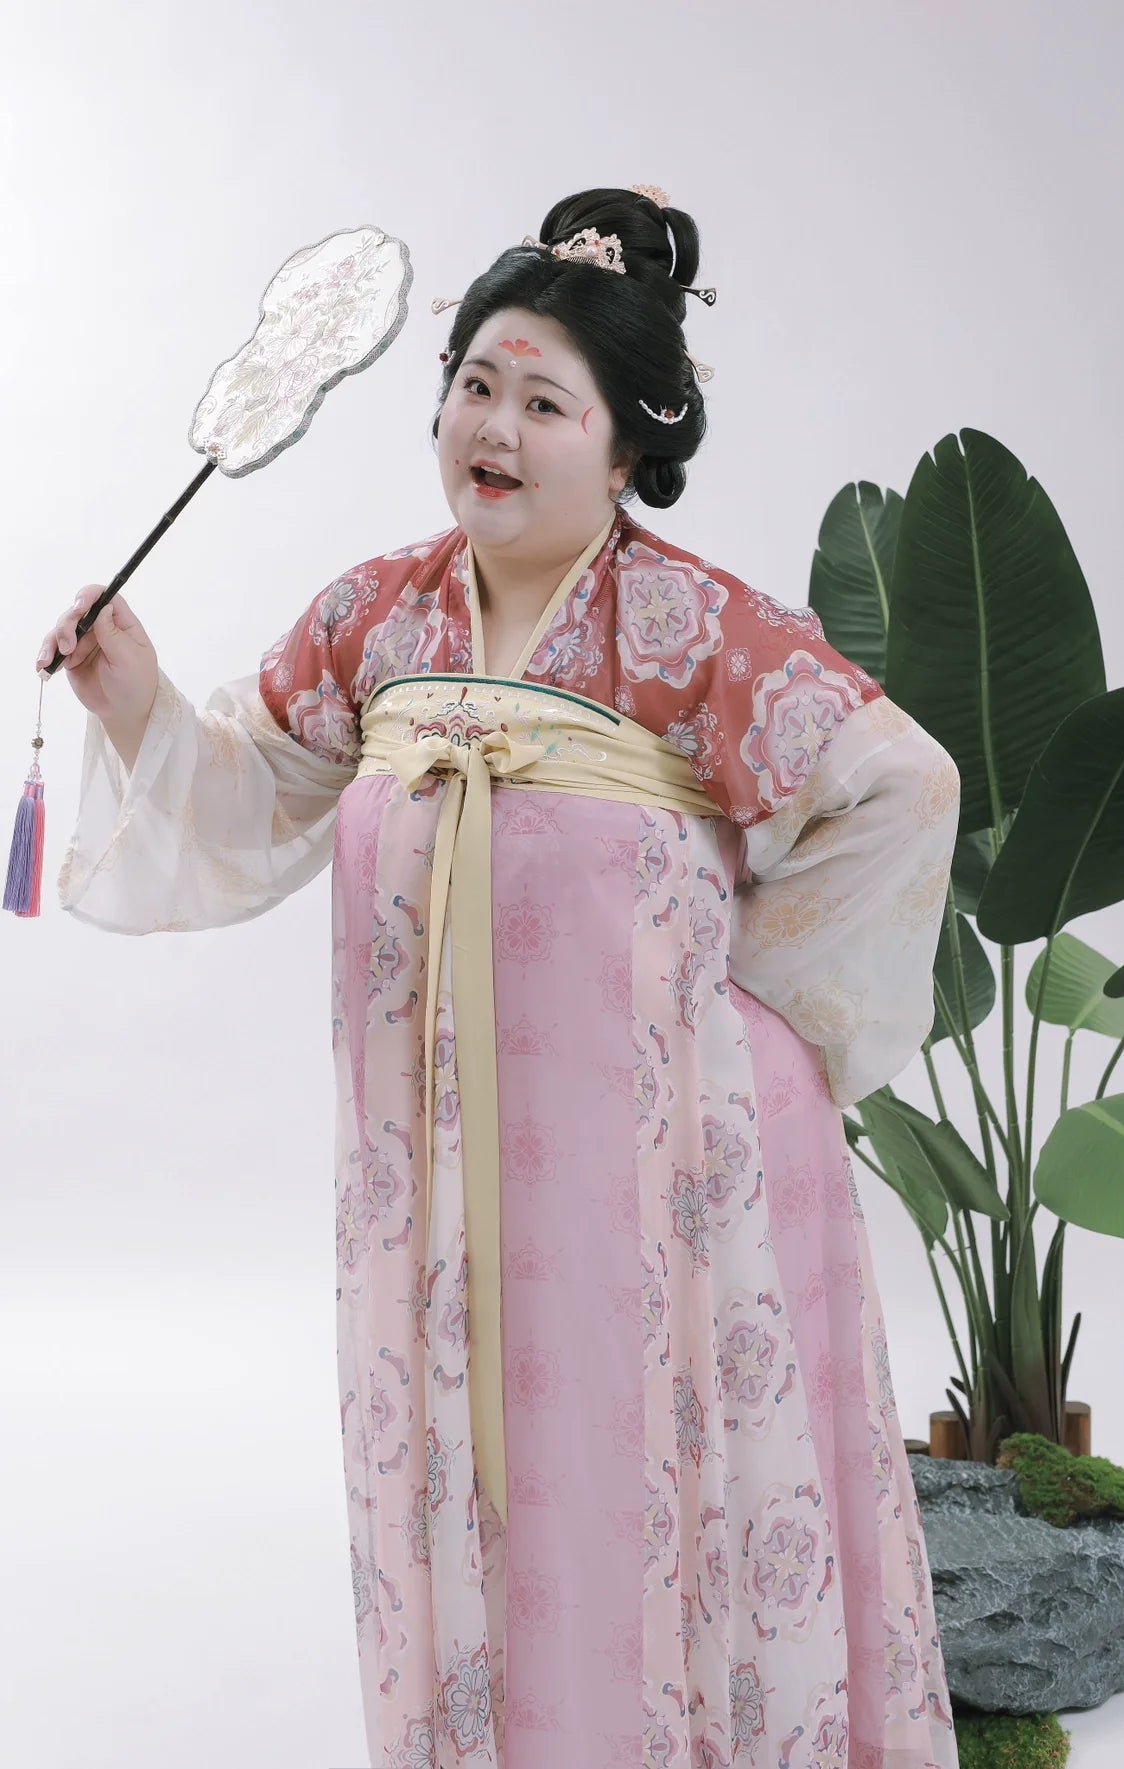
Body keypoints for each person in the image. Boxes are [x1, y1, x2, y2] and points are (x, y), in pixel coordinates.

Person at [39, 186, 962, 1768]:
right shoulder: (375, 615)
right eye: (476, 384)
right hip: (426, 1171)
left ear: (628, 448)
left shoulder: (695, 630)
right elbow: (253, 798)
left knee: (632, 1465)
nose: (496, 426)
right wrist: (133, 697)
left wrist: (742, 1014)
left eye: (545, 402)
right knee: (456, 1464)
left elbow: (903, 785)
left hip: (655, 1174)